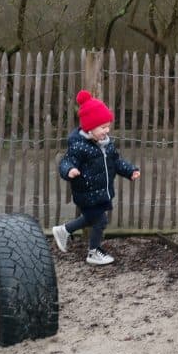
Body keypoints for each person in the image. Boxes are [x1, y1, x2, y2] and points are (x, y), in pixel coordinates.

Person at [52, 90, 140, 265]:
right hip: (86, 192)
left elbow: (116, 162)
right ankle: (93, 252)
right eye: (102, 127)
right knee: (100, 220)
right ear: (89, 128)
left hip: (101, 191)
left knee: (91, 219)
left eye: (108, 126)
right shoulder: (79, 146)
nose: (106, 130)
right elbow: (66, 161)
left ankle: (64, 230)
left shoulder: (106, 145)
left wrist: (130, 171)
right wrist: (69, 170)